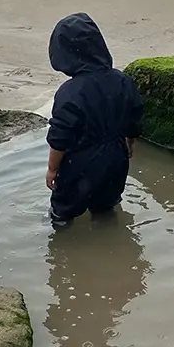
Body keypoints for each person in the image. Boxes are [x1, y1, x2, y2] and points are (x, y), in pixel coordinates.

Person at [45, 13, 144, 226]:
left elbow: (59, 137)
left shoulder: (70, 92)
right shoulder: (123, 81)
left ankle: (62, 244)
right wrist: (129, 140)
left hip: (80, 164)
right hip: (117, 158)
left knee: (63, 211)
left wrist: (52, 169)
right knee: (106, 206)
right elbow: (134, 113)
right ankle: (109, 235)